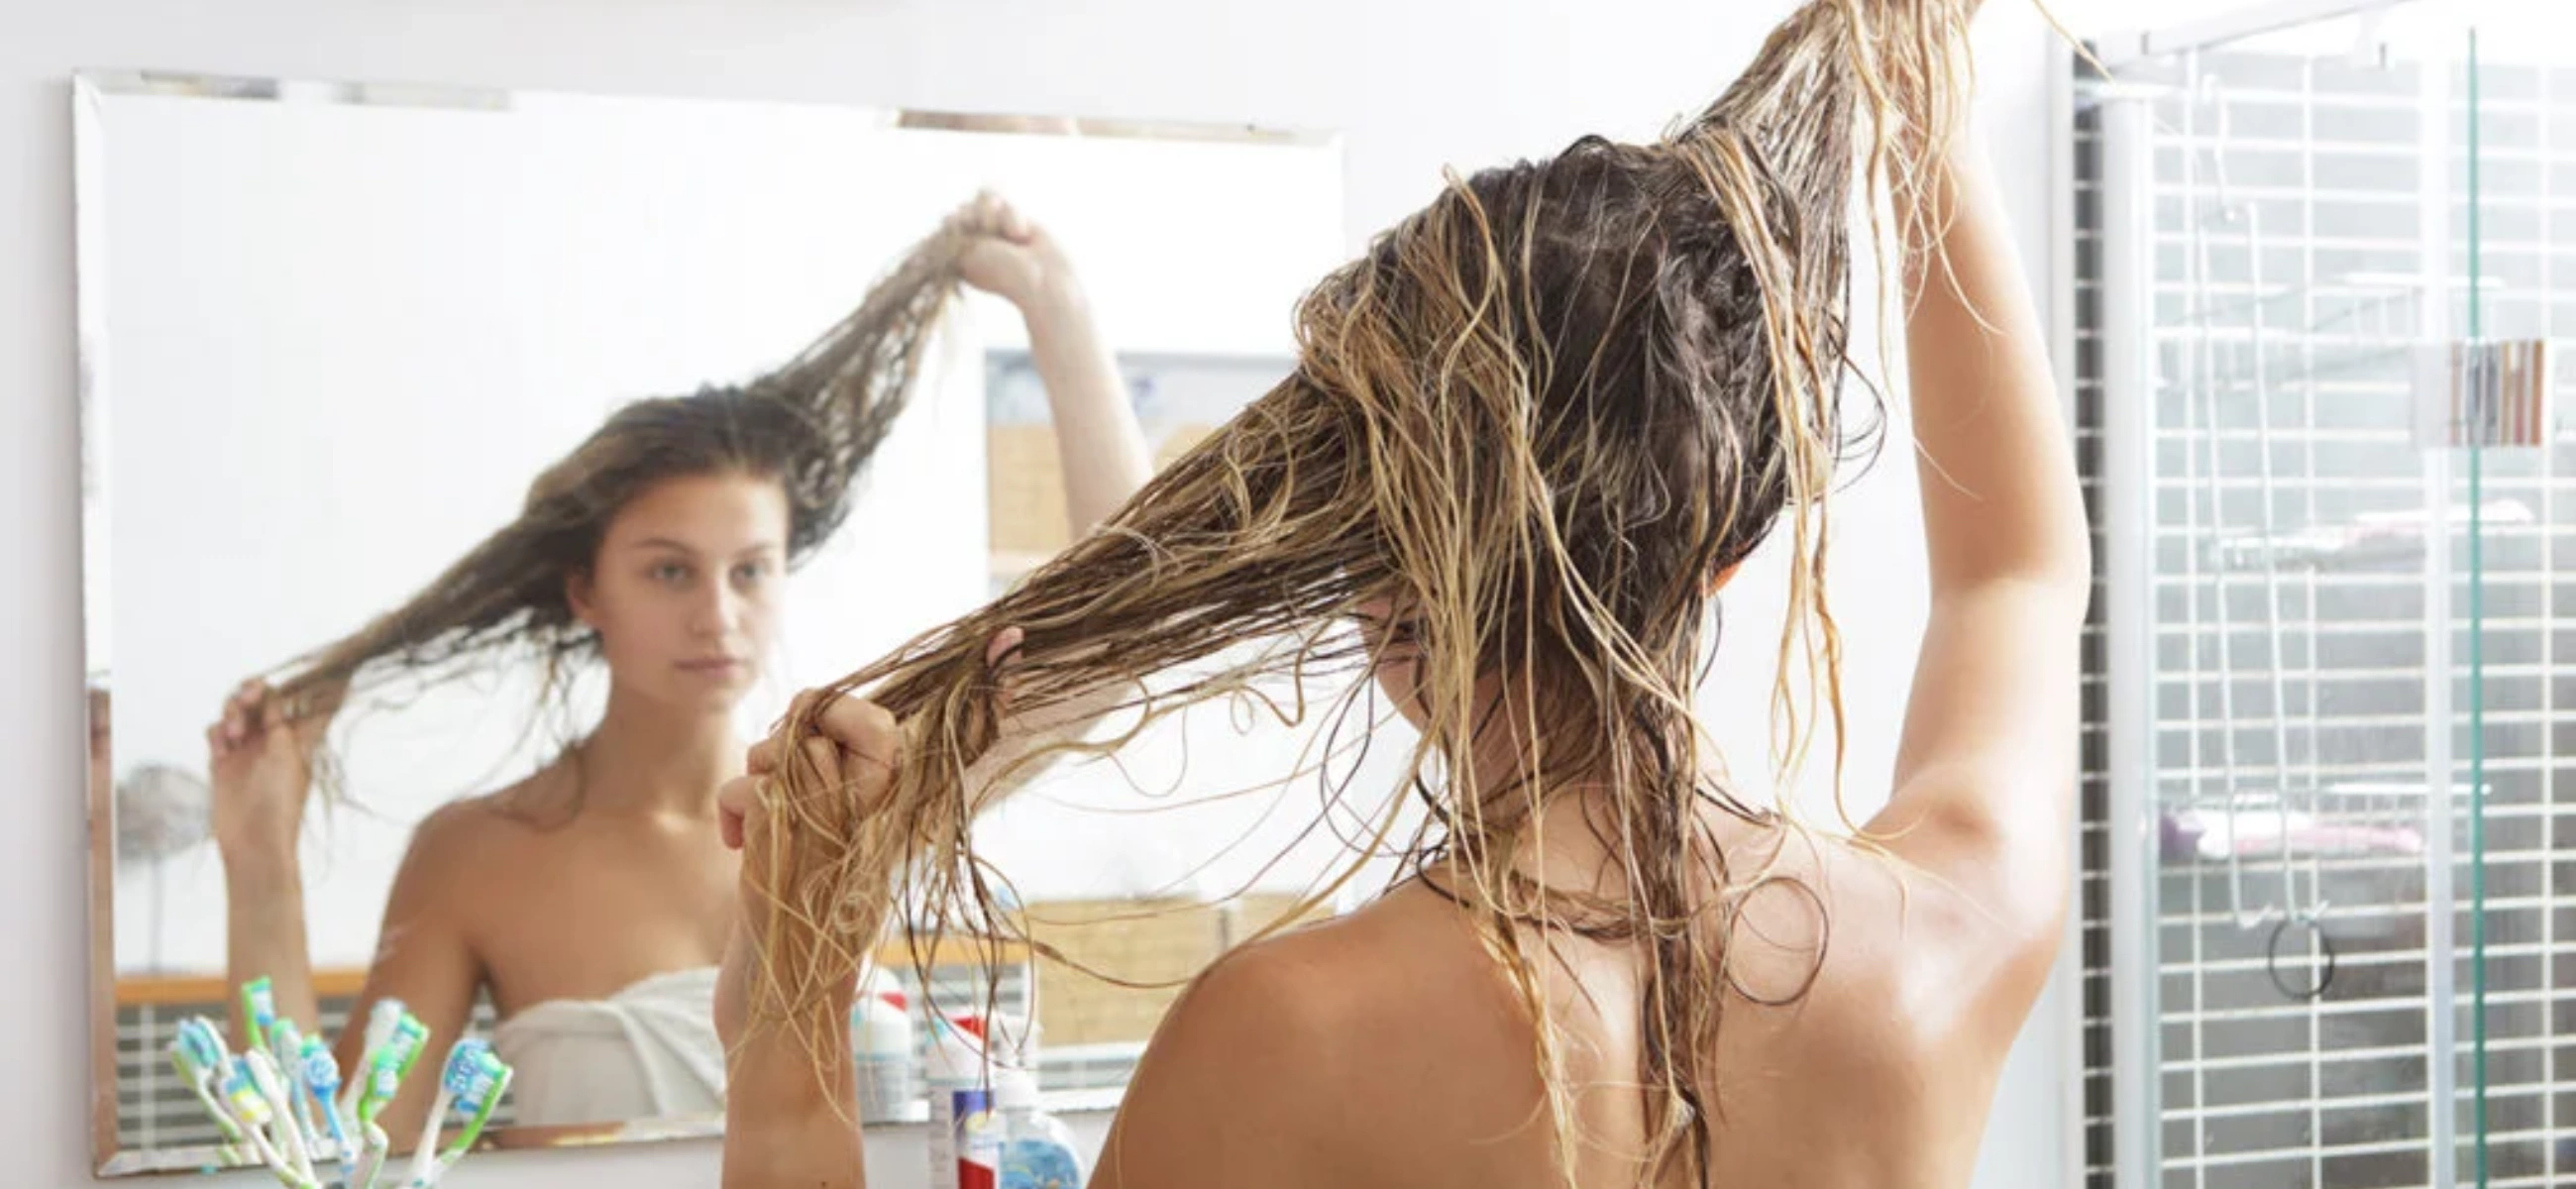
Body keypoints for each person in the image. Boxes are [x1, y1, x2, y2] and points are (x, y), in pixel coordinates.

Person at [712, 0, 2086, 1186]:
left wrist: (788, 1027)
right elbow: (2016, 577)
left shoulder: (1288, 1037)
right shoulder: (1939, 938)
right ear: (1726, 550)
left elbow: (2013, 576)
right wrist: (1923, 109)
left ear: (1371, 544)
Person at [208, 192, 1155, 1141]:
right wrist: (261, 868)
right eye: (669, 571)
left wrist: (1056, 304)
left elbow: (1124, 643)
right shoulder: (476, 857)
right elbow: (336, 1150)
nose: (717, 616)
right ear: (586, 591)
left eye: (751, 571)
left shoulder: (844, 800)